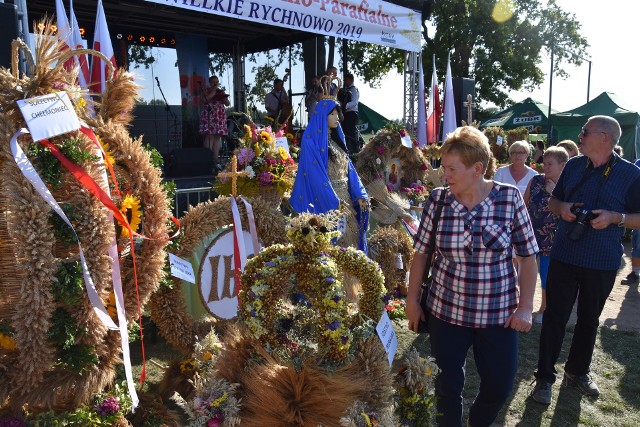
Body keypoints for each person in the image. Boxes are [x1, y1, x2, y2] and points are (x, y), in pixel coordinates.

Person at [407, 126, 538, 427]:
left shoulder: (509, 198)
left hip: (499, 314)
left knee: (499, 386)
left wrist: (526, 306)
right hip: (446, 312)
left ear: (477, 168)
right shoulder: (438, 201)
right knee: (446, 386)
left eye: (452, 168)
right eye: (443, 166)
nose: (444, 174)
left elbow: (529, 257)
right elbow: (421, 254)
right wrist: (413, 300)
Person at [531, 116, 640, 405]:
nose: (580, 136)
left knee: (589, 321)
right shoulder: (575, 165)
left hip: (602, 261)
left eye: (585, 132)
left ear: (605, 137)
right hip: (565, 253)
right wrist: (563, 207)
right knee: (555, 316)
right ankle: (543, 378)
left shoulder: (630, 174)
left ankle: (577, 371)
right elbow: (554, 202)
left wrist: (617, 218)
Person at [290, 97, 370, 253]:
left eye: (337, 114)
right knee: (331, 248)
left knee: (352, 246)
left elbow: (349, 169)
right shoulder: (310, 142)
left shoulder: (337, 143)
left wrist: (360, 194)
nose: (337, 118)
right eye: (332, 114)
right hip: (327, 201)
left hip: (346, 201)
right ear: (322, 116)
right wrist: (334, 202)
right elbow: (315, 176)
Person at [523, 146, 569, 324]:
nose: (545, 167)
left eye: (550, 164)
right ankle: (523, 305)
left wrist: (554, 192)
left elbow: (570, 210)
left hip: (554, 239)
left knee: (546, 275)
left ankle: (544, 308)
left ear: (563, 165)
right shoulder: (535, 180)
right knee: (525, 272)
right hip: (531, 234)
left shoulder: (567, 186)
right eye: (544, 163)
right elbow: (524, 204)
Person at [199, 75, 230, 167]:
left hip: (219, 115)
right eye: (213, 82)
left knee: (217, 137)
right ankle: (207, 158)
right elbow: (204, 101)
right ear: (210, 82)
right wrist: (213, 92)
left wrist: (224, 98)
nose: (215, 84)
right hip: (209, 115)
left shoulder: (221, 91)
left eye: (217, 82)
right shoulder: (206, 90)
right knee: (209, 136)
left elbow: (228, 104)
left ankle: (216, 158)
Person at [339, 73, 361, 155]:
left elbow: (354, 102)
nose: (345, 81)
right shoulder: (347, 89)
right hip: (347, 114)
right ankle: (349, 150)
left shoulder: (353, 89)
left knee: (351, 132)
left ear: (350, 80)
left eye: (346, 79)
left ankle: (355, 150)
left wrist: (344, 105)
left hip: (352, 113)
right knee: (346, 132)